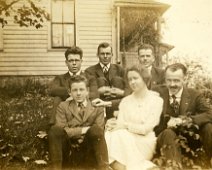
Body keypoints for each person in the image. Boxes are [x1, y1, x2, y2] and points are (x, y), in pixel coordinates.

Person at [105, 66, 163, 170]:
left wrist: (125, 125)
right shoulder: (125, 101)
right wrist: (111, 125)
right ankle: (142, 167)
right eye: (130, 79)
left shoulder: (156, 100)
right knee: (109, 134)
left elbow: (146, 129)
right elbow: (119, 126)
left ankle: (124, 167)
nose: (132, 82)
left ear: (144, 78)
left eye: (135, 78)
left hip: (145, 142)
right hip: (125, 141)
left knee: (118, 136)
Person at [154, 63, 212, 166]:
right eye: (169, 80)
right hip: (165, 139)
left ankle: (208, 162)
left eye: (176, 80)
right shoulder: (157, 93)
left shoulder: (194, 94)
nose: (172, 84)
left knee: (208, 127)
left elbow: (209, 113)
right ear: (165, 79)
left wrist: (185, 120)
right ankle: (174, 166)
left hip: (189, 141)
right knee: (168, 133)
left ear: (184, 79)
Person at [48, 75, 110, 170]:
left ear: (87, 91)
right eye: (75, 90)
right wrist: (84, 130)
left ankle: (103, 168)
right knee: (54, 130)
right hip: (68, 151)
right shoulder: (63, 106)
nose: (78, 93)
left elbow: (99, 131)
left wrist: (72, 130)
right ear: (69, 92)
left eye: (81, 89)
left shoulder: (98, 107)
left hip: (88, 152)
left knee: (96, 130)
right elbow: (61, 129)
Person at [49, 46, 98, 125]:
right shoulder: (60, 78)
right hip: (67, 111)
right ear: (66, 62)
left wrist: (76, 96)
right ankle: (53, 126)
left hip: (84, 109)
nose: (74, 63)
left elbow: (94, 94)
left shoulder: (89, 78)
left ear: (81, 61)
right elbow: (53, 90)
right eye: (71, 60)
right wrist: (73, 92)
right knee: (57, 98)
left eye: (77, 60)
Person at [85, 42, 128, 119]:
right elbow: (87, 91)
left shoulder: (120, 69)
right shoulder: (89, 71)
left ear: (112, 55)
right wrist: (99, 91)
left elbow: (128, 88)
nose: (105, 56)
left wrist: (120, 92)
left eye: (108, 54)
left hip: (116, 105)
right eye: (102, 54)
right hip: (99, 106)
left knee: (117, 80)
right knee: (100, 80)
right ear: (97, 55)